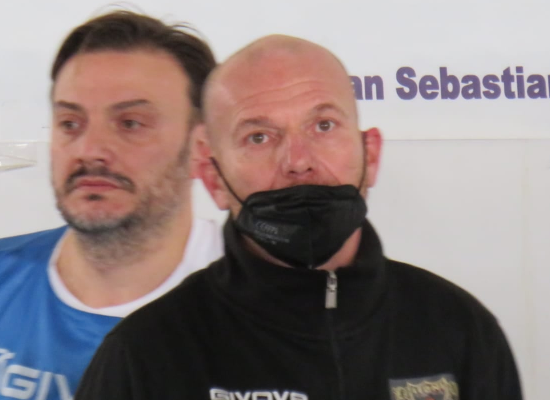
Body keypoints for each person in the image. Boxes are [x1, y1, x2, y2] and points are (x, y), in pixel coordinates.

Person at [75, 35, 522, 400]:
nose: (298, 161)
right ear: (213, 178)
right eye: (259, 136)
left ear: (371, 155)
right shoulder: (144, 355)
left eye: (323, 126)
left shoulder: (460, 331)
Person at [0, 11, 222, 400]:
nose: (90, 150)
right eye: (71, 123)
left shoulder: (269, 307)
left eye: (130, 123)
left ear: (201, 149)